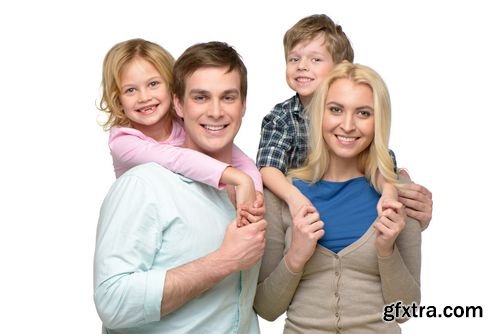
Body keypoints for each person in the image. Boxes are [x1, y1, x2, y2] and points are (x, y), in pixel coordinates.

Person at [94, 41, 266, 333]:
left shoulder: (244, 193)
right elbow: (112, 303)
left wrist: (253, 189)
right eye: (200, 97)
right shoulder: (142, 182)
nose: (215, 112)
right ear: (179, 103)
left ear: (243, 105)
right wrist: (222, 262)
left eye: (228, 97)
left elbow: (256, 303)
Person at [254, 62, 421, 333]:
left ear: (379, 121)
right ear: (319, 113)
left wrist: (386, 250)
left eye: (363, 113)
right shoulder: (281, 196)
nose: (347, 125)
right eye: (336, 110)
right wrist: (296, 256)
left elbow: (407, 309)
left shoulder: (399, 196)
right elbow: (266, 309)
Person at [256, 14, 432, 228]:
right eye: (294, 59)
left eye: (315, 59)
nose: (302, 66)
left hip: (347, 207)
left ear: (342, 68)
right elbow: (267, 167)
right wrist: (295, 199)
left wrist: (390, 190)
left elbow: (378, 158)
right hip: (298, 212)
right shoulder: (282, 117)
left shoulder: (360, 107)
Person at [97, 38, 263, 225]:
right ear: (117, 99)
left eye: (153, 84)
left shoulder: (182, 122)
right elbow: (177, 159)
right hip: (145, 221)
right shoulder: (123, 141)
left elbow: (239, 158)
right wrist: (237, 177)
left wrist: (255, 195)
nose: (144, 97)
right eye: (130, 90)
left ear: (171, 86)